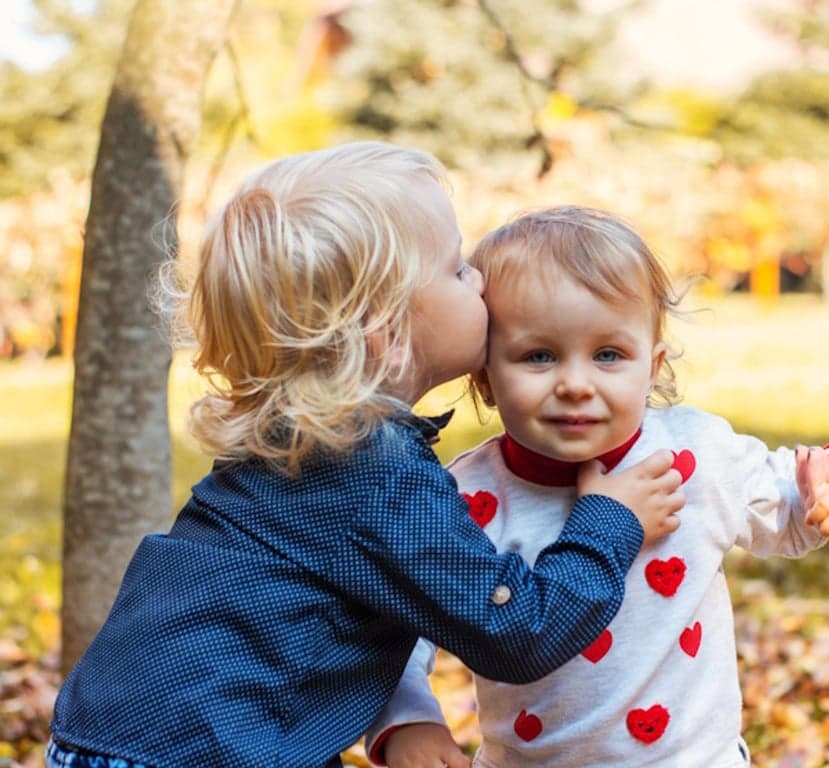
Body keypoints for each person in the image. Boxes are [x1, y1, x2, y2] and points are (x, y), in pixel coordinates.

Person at [47, 147, 686, 768]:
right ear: (385, 328)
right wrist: (610, 520)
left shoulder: (288, 445)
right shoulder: (371, 476)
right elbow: (516, 631)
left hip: (111, 737)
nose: (480, 281)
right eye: (457, 268)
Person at [366, 205, 829, 768]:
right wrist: (409, 718)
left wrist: (815, 490)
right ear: (485, 380)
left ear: (652, 366)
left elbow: (786, 508)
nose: (576, 385)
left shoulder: (696, 456)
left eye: (608, 355)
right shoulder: (460, 498)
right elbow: (396, 630)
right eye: (539, 356)